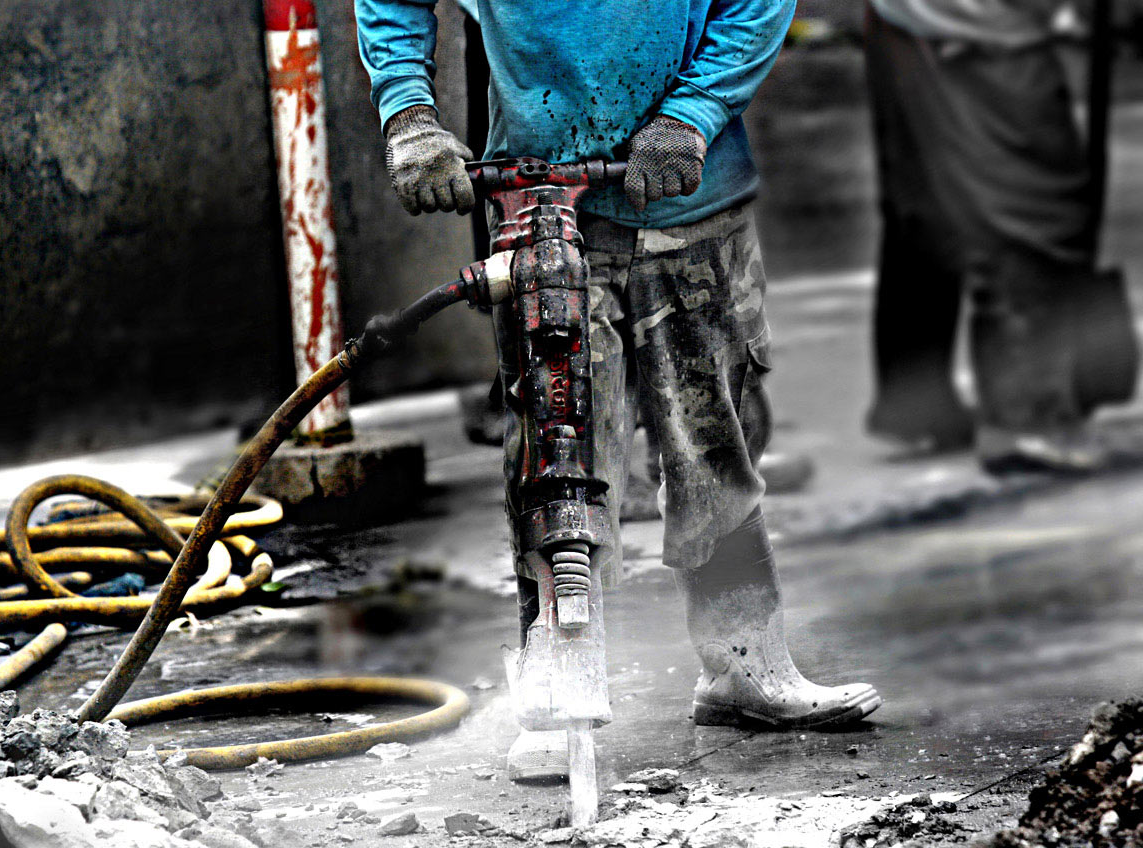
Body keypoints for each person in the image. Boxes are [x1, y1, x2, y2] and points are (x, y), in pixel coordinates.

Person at [354, 0, 882, 780]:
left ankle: (746, 658)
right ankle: (555, 687)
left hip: (694, 199)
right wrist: (409, 112)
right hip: (540, 202)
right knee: (557, 448)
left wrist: (693, 114)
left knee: (714, 447)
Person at [864, 0, 1136, 471]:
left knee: (932, 208)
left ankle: (916, 401)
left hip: (911, 20)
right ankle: (1029, 416)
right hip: (976, 28)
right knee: (1032, 205)